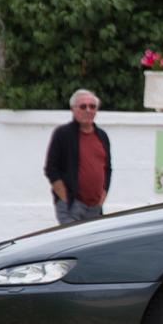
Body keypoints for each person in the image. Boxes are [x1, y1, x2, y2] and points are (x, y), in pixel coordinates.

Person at [44, 89, 112, 224]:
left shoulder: (102, 136)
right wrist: (65, 198)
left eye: (92, 106)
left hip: (95, 208)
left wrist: (101, 199)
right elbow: (51, 169)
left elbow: (107, 169)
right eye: (83, 106)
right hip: (71, 206)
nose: (88, 110)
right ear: (73, 109)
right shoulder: (63, 134)